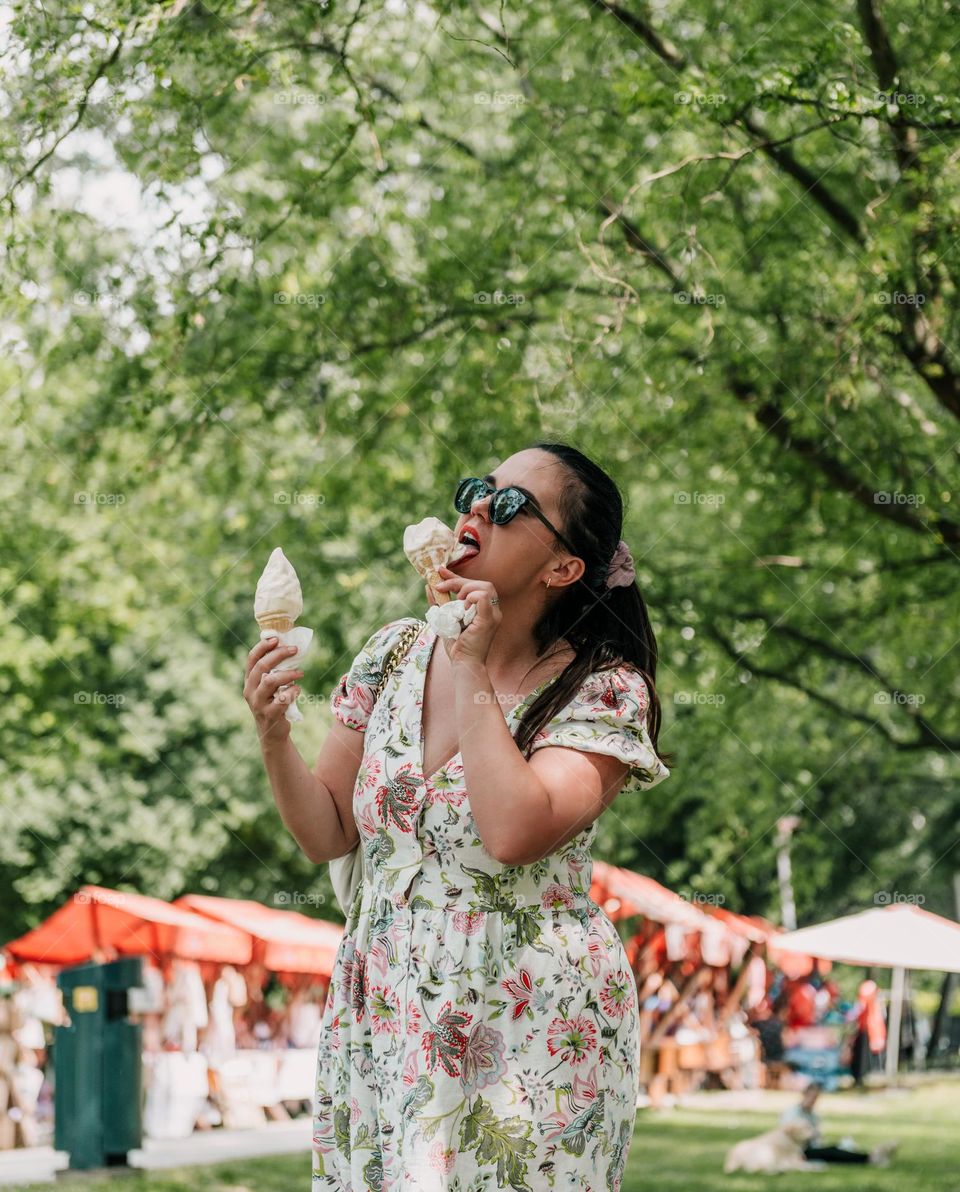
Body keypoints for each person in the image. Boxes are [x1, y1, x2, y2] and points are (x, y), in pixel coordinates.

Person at [245, 443, 673, 1189]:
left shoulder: (604, 691)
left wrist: (471, 663)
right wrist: (274, 733)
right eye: (477, 490)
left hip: (528, 1021)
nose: (476, 508)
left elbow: (514, 831)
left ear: (563, 568)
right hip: (384, 1001)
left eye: (508, 504)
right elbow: (326, 833)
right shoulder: (394, 653)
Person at [780, 1080, 898, 1166]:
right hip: (798, 1151)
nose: (813, 1101)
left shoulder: (814, 1116)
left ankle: (869, 1156)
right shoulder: (792, 1113)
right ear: (804, 1095)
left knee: (837, 1148)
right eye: (811, 1097)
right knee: (832, 1152)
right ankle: (870, 1158)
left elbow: (816, 1137)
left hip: (812, 1147)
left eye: (816, 1098)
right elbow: (788, 1136)